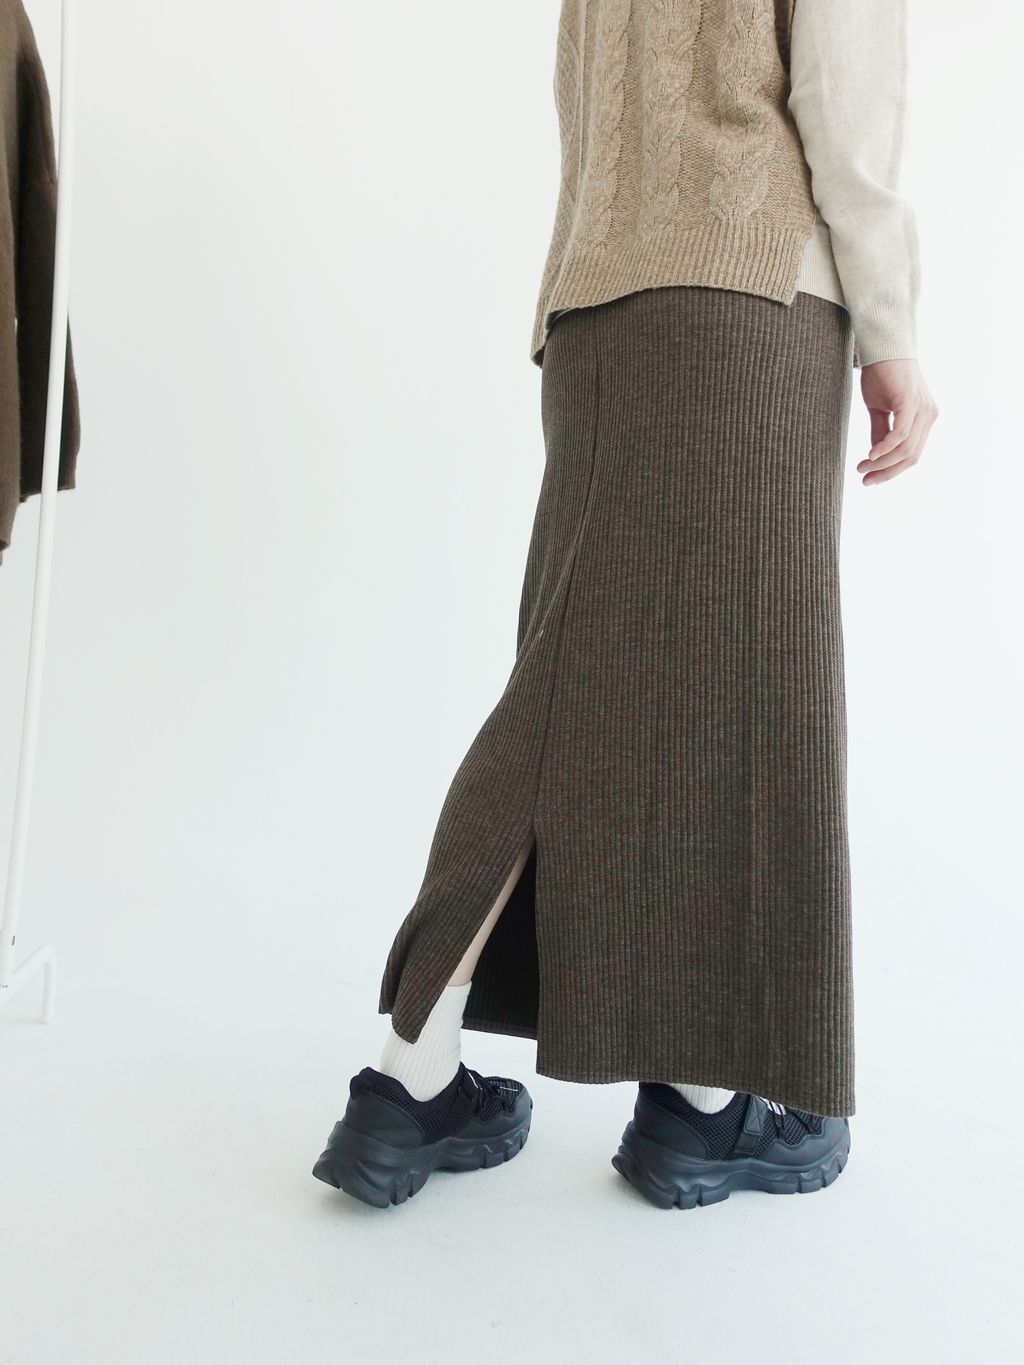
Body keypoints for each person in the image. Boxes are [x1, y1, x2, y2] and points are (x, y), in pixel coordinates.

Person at [312, 0, 938, 1211]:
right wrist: (892, 333)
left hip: (596, 305)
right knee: (721, 701)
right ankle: (427, 1076)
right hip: (747, 298)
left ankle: (673, 1097)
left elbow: (588, 100)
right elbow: (846, 104)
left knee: (594, 697)